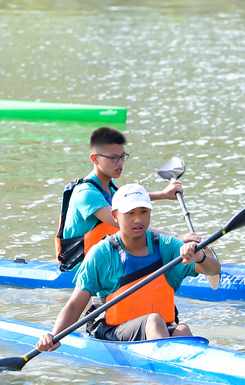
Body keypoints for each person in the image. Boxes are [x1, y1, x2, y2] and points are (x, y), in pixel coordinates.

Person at [38, 183, 220, 349]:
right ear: (115, 216)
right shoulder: (101, 254)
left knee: (183, 331)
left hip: (157, 330)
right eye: (130, 213)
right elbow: (74, 305)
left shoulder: (166, 245)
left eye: (143, 212)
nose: (138, 220)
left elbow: (214, 270)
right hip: (112, 330)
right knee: (155, 321)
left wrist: (201, 256)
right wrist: (54, 336)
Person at [56, 126, 199, 271]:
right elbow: (125, 224)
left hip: (105, 261)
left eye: (122, 156)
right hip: (82, 268)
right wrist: (176, 237)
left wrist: (162, 194)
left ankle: (198, 264)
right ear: (95, 159)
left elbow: (127, 201)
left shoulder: (108, 186)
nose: (120, 162)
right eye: (113, 158)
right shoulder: (86, 193)